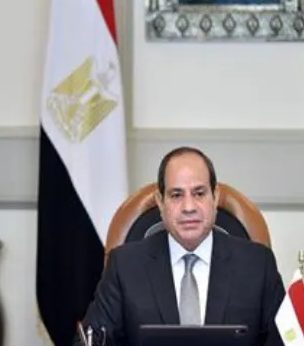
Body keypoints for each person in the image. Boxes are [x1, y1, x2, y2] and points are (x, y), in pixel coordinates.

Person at [75, 146, 286, 346]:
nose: (188, 207)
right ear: (160, 202)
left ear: (215, 197)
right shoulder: (125, 266)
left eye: (199, 193)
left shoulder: (257, 265)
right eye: (176, 195)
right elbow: (91, 340)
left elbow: (286, 341)